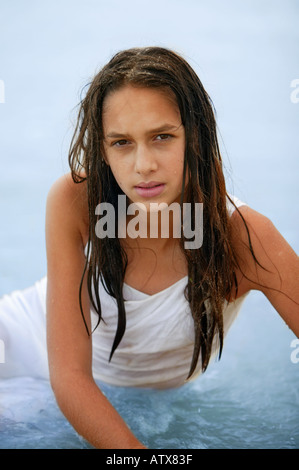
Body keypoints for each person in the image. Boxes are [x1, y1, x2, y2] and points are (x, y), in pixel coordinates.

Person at [0, 47, 298, 449]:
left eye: (162, 137)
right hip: (25, 341)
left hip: (128, 393)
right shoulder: (76, 200)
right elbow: (70, 377)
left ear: (196, 136)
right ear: (103, 150)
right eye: (121, 142)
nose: (143, 164)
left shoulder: (244, 238)